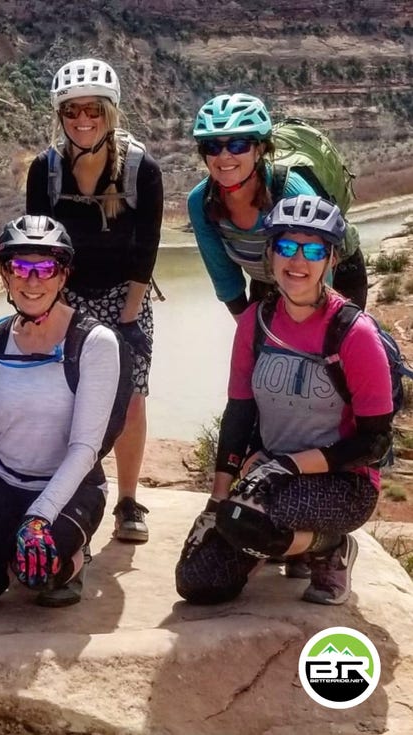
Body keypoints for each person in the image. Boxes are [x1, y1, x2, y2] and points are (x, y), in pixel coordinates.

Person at [175, 195, 392, 607]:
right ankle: (279, 544)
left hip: (341, 484)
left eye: (313, 250)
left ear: (330, 260)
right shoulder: (256, 322)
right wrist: (216, 499)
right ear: (271, 253)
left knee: (246, 518)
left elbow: (374, 445)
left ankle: (329, 545)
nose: (298, 261)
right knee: (198, 583)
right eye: (287, 247)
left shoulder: (354, 333)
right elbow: (238, 413)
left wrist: (289, 465)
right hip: (269, 474)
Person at [0, 216, 121, 611]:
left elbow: (86, 447)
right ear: (4, 275)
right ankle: (4, 548)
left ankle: (72, 559)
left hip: (69, 487)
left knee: (38, 568)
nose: (32, 280)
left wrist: (39, 516)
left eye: (45, 268)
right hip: (2, 481)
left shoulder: (94, 342)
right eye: (20, 267)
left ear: (63, 276)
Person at [25, 58, 163, 544]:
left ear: (111, 114)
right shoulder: (46, 170)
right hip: (64, 295)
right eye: (72, 111)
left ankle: (128, 501)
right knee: (58, 395)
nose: (83, 121)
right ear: (59, 116)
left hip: (125, 294)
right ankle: (55, 489)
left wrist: (127, 323)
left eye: (94, 111)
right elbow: (37, 247)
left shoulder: (141, 169)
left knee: (130, 398)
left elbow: (146, 249)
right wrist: (47, 311)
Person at [188, 92, 368, 314]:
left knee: (328, 346)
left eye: (238, 145)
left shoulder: (293, 193)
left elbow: (320, 277)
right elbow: (225, 278)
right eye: (212, 147)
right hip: (268, 281)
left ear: (260, 150)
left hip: (330, 276)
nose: (224, 155)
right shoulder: (200, 202)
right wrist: (247, 329)